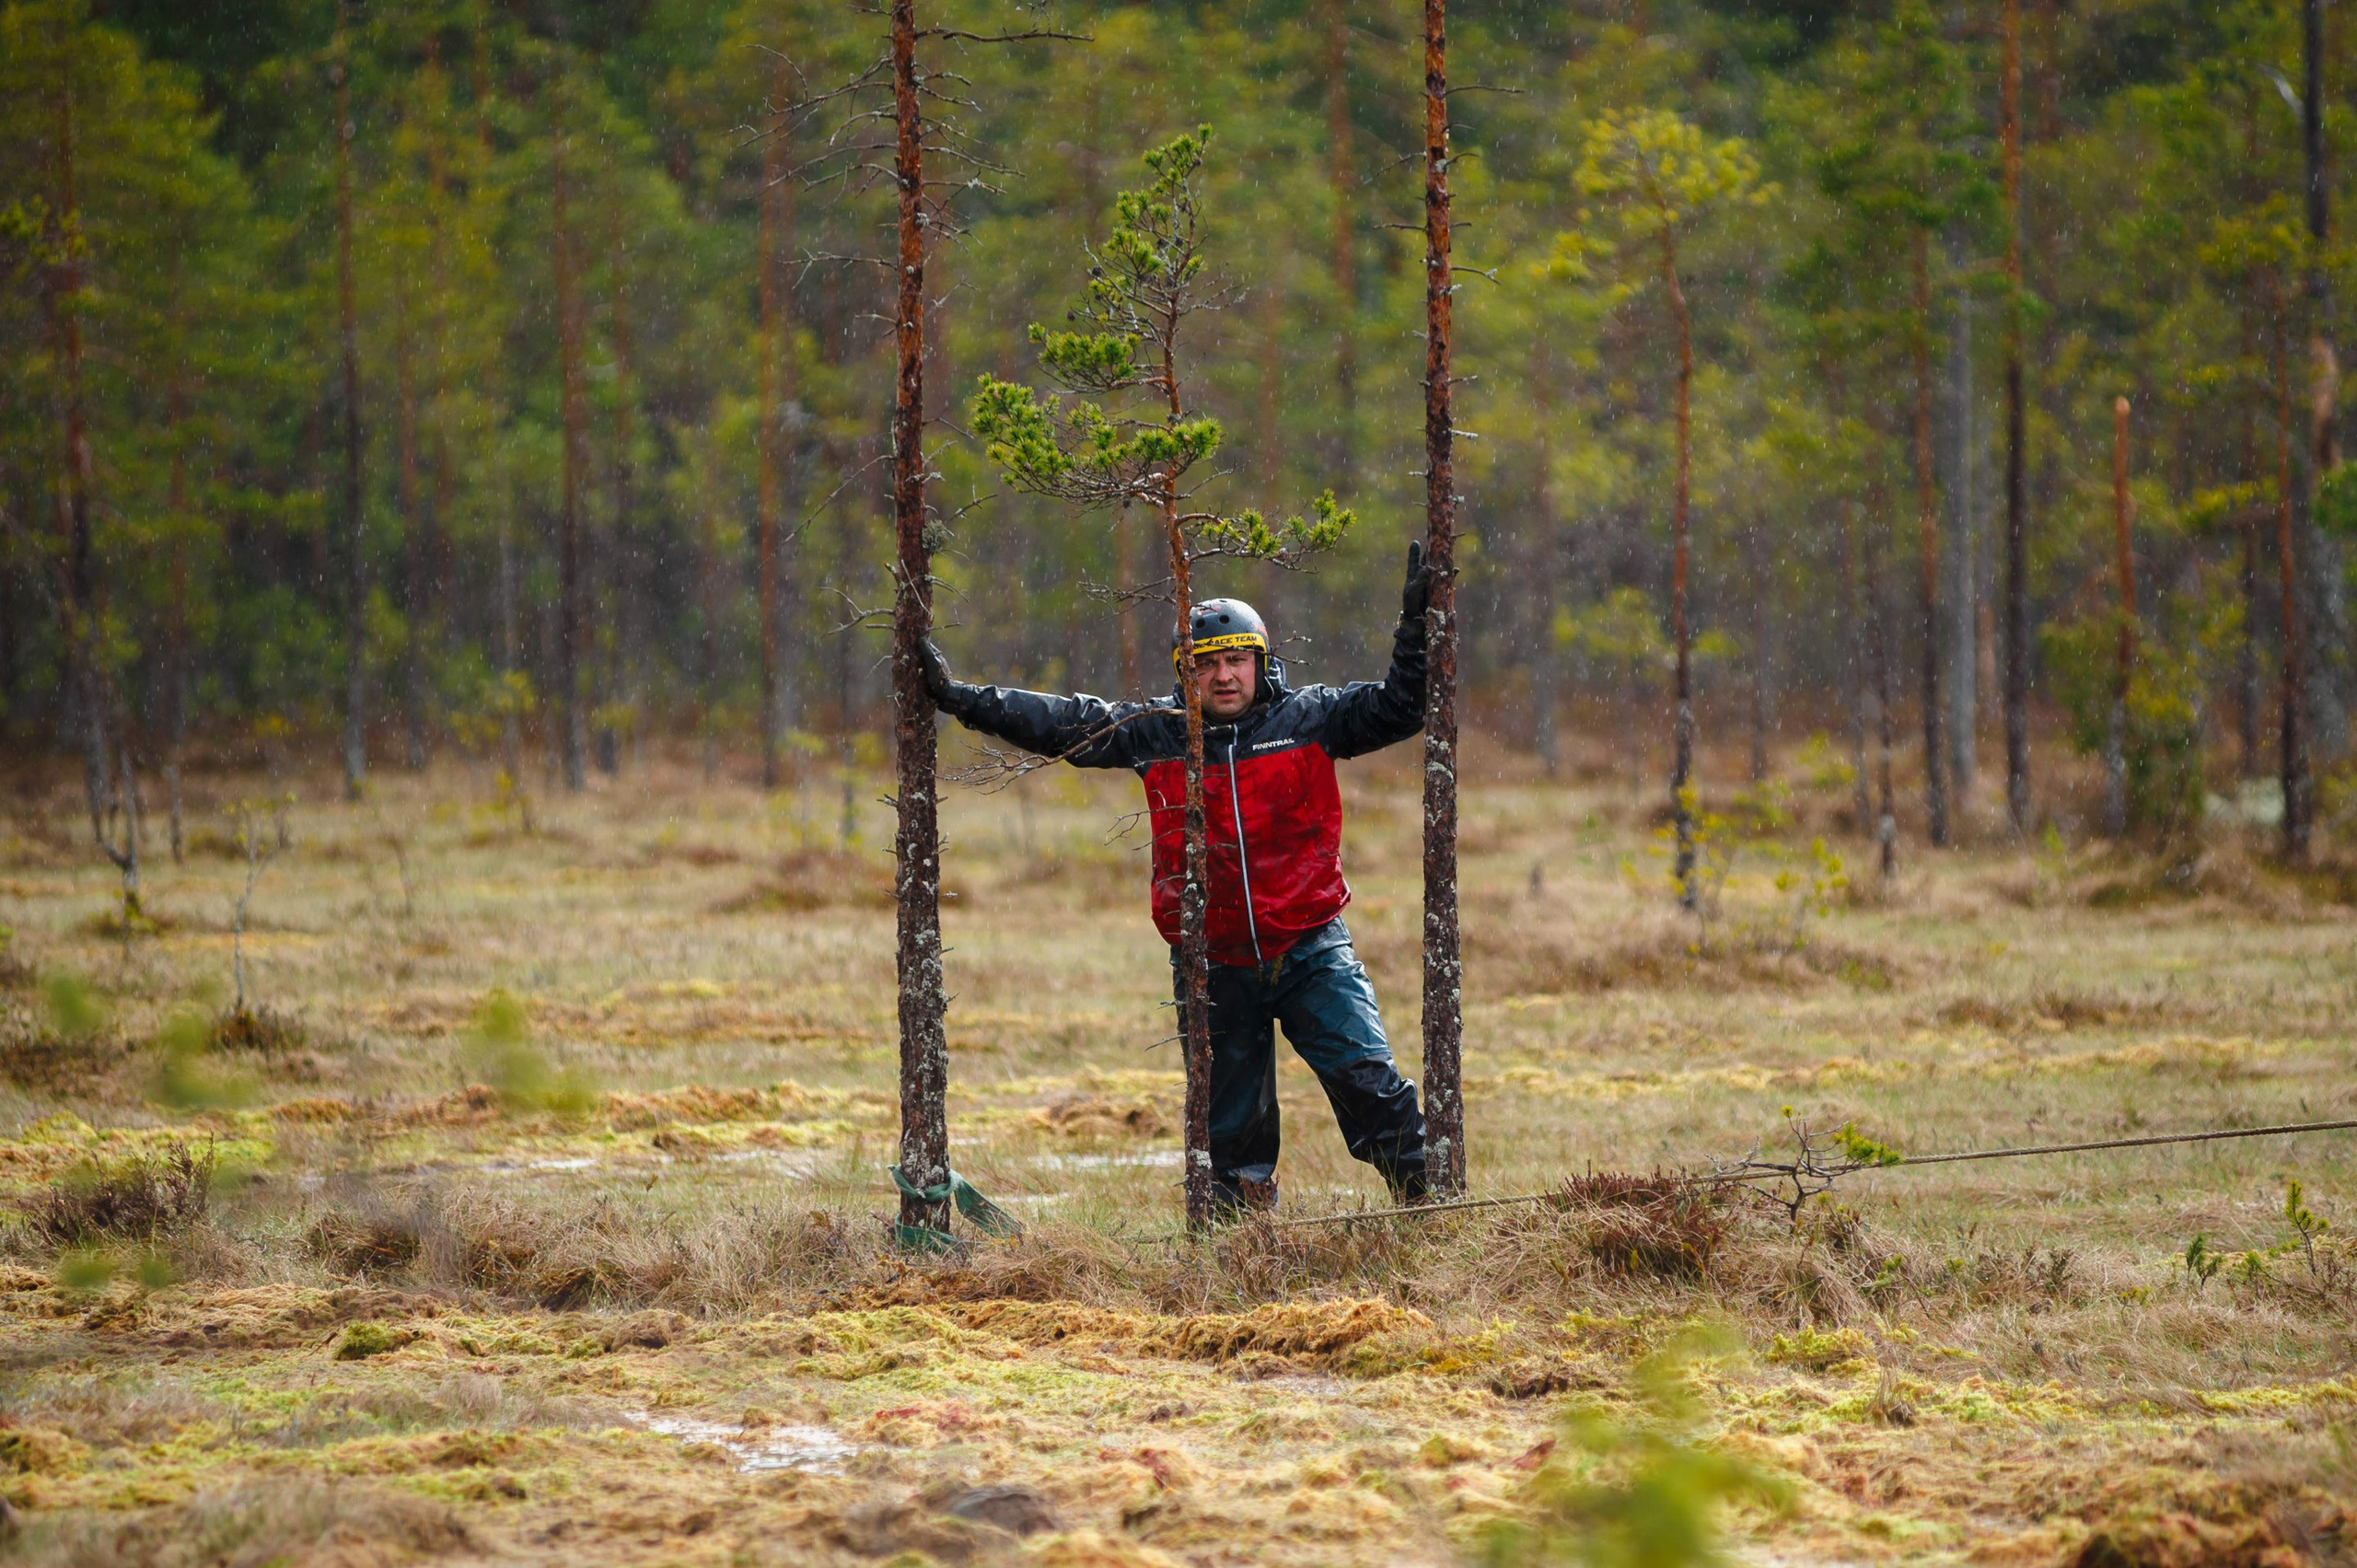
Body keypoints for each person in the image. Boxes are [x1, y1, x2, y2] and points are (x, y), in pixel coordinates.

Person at [919, 544, 1434, 1214]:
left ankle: (1433, 1212)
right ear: (1184, 675)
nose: (1224, 676)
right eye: (1207, 663)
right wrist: (960, 699)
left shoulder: (1311, 718)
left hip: (1311, 949)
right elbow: (1060, 721)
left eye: (1237, 658)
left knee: (1373, 1088)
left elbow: (1401, 705)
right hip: (1212, 966)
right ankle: (1236, 1258)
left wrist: (1417, 624)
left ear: (1262, 662)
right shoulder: (1157, 734)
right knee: (1231, 1137)